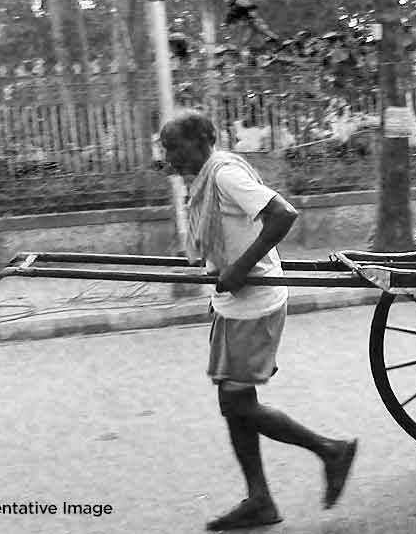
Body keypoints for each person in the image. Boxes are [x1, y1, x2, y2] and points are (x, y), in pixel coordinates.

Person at [159, 110, 357, 531]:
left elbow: (283, 214)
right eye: (166, 149)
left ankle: (330, 451)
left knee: (236, 403)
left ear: (202, 140)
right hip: (234, 303)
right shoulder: (205, 179)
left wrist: (239, 267)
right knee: (233, 405)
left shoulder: (224, 175)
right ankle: (260, 499)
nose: (169, 157)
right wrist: (217, 264)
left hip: (256, 301)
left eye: (175, 147)